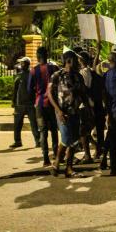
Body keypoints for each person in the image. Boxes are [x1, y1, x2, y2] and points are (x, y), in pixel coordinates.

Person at [47, 49, 89, 178]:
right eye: (75, 60)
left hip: (75, 112)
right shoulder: (57, 75)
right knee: (66, 138)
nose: (78, 62)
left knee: (74, 140)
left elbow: (83, 93)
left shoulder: (78, 76)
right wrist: (58, 111)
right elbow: (49, 94)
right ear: (69, 61)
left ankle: (67, 168)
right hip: (62, 113)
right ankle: (57, 163)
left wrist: (87, 108)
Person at [30, 46, 60, 167]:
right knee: (54, 130)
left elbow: (29, 88)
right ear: (47, 56)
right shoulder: (54, 68)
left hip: (40, 104)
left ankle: (45, 158)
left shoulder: (34, 71)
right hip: (53, 105)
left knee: (42, 131)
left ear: (37, 57)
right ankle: (57, 155)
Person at [11, 57, 39, 148]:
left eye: (23, 63)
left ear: (27, 64)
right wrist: (13, 101)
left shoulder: (32, 75)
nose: (21, 65)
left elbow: (37, 89)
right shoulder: (18, 76)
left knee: (34, 124)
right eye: (21, 63)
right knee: (17, 124)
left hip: (31, 103)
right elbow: (15, 90)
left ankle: (38, 141)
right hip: (19, 104)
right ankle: (17, 141)